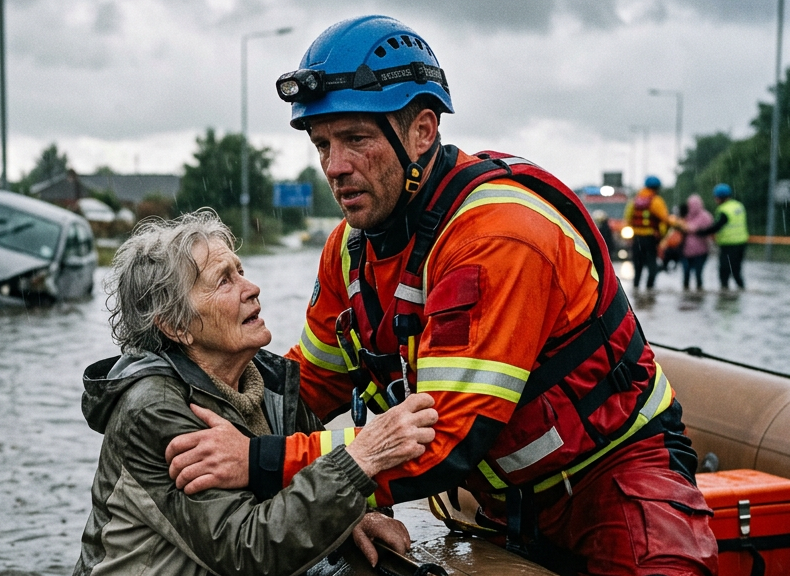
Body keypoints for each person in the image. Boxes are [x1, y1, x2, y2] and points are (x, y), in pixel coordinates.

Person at [165, 15, 718, 576]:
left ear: (423, 132)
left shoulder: (496, 236)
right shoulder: (350, 249)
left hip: (619, 488)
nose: (335, 167)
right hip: (504, 504)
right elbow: (307, 389)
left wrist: (259, 463)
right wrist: (176, 401)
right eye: (322, 144)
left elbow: (445, 439)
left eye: (356, 139)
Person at [72, 210, 439, 576]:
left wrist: (358, 513)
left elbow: (312, 473)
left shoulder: (269, 379)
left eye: (241, 272)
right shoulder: (153, 408)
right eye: (224, 281)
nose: (252, 288)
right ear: (176, 325)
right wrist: (363, 456)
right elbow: (248, 551)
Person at [696, 183, 748, 290]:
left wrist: (701, 233)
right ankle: (741, 289)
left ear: (719, 197)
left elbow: (717, 226)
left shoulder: (724, 209)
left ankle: (724, 294)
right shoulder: (739, 206)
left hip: (729, 245)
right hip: (742, 243)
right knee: (736, 271)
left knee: (724, 271)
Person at [624, 175, 670, 289]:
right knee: (652, 266)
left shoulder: (634, 201)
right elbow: (665, 219)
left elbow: (627, 219)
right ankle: (649, 289)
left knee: (637, 266)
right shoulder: (656, 201)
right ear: (657, 188)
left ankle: (636, 288)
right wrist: (662, 235)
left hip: (636, 238)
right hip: (650, 239)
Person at [679, 194, 714, 290]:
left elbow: (709, 231)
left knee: (698, 273)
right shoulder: (685, 215)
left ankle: (699, 292)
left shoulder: (706, 216)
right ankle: (687, 292)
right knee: (686, 273)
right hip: (686, 251)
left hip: (701, 251)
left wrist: (691, 228)